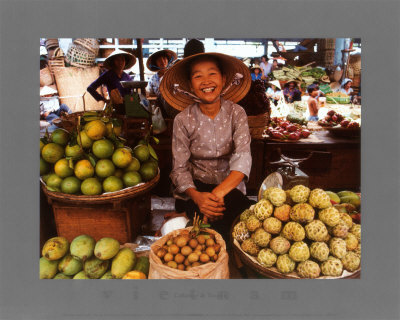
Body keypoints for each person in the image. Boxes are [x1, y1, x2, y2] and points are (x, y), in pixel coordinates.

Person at [159, 52, 255, 240]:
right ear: (190, 84)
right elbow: (179, 168)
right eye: (198, 76)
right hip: (196, 190)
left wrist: (216, 196)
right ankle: (187, 214)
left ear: (223, 79)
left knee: (239, 234)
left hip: (229, 188)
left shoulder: (237, 113)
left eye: (212, 73)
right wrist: (198, 198)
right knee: (193, 237)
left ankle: (188, 215)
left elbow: (243, 158)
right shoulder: (182, 119)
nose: (206, 81)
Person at [87, 49, 136, 114]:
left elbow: (132, 93)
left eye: (122, 60)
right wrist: (103, 99)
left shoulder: (127, 77)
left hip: (129, 108)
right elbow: (90, 88)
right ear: (113, 62)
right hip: (115, 109)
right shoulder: (107, 75)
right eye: (117, 60)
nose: (120, 62)